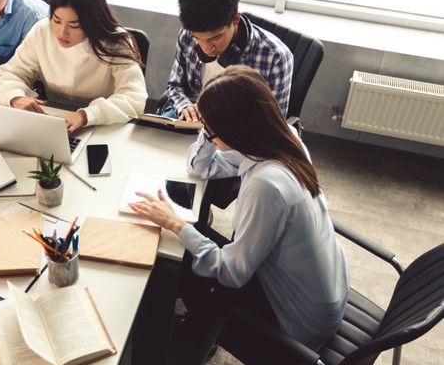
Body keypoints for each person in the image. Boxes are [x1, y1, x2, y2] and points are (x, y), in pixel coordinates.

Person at [130, 66, 348, 364]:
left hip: (298, 323)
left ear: (238, 129)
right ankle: (194, 328)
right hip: (325, 290)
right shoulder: (283, 141)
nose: (206, 134)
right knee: (189, 241)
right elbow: (200, 168)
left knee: (176, 261)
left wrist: (175, 223)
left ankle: (181, 344)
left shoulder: (265, 185)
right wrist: (210, 128)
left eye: (211, 129)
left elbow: (232, 273)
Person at [0, 0, 147, 133]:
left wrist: (85, 115)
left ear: (92, 22)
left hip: (101, 126)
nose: (61, 32)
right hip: (53, 121)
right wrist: (16, 97)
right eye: (57, 20)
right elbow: (11, 74)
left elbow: (134, 97)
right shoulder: (42, 30)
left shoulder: (116, 42)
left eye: (73, 26)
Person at [157, 0, 293, 121]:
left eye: (215, 38)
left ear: (235, 19)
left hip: (238, 130)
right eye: (198, 39)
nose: (206, 49)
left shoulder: (276, 58)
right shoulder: (187, 34)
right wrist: (184, 106)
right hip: (192, 121)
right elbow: (175, 85)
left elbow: (273, 123)